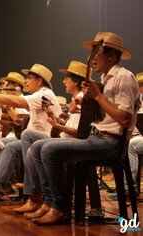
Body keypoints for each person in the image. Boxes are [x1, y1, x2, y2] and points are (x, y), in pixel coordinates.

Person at [29, 32, 139, 225]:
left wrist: (97, 97)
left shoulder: (124, 77)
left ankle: (60, 208)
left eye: (97, 54)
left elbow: (125, 120)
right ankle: (48, 201)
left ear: (111, 56)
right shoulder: (106, 79)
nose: (92, 58)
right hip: (96, 137)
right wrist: (85, 105)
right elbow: (101, 114)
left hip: (111, 142)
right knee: (37, 146)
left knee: (48, 149)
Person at [0, 64, 62, 201]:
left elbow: (18, 103)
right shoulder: (38, 95)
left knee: (13, 143)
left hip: (43, 139)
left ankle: (19, 189)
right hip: (33, 139)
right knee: (4, 147)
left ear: (39, 81)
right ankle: (0, 187)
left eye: (29, 77)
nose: (26, 81)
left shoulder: (44, 94)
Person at [15, 60, 87, 216]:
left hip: (72, 142)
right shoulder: (73, 101)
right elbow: (63, 128)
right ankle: (44, 200)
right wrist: (56, 123)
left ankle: (42, 198)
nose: (63, 81)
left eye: (66, 78)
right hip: (63, 138)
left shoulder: (81, 99)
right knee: (32, 148)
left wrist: (58, 126)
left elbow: (79, 132)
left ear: (75, 82)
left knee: (35, 143)